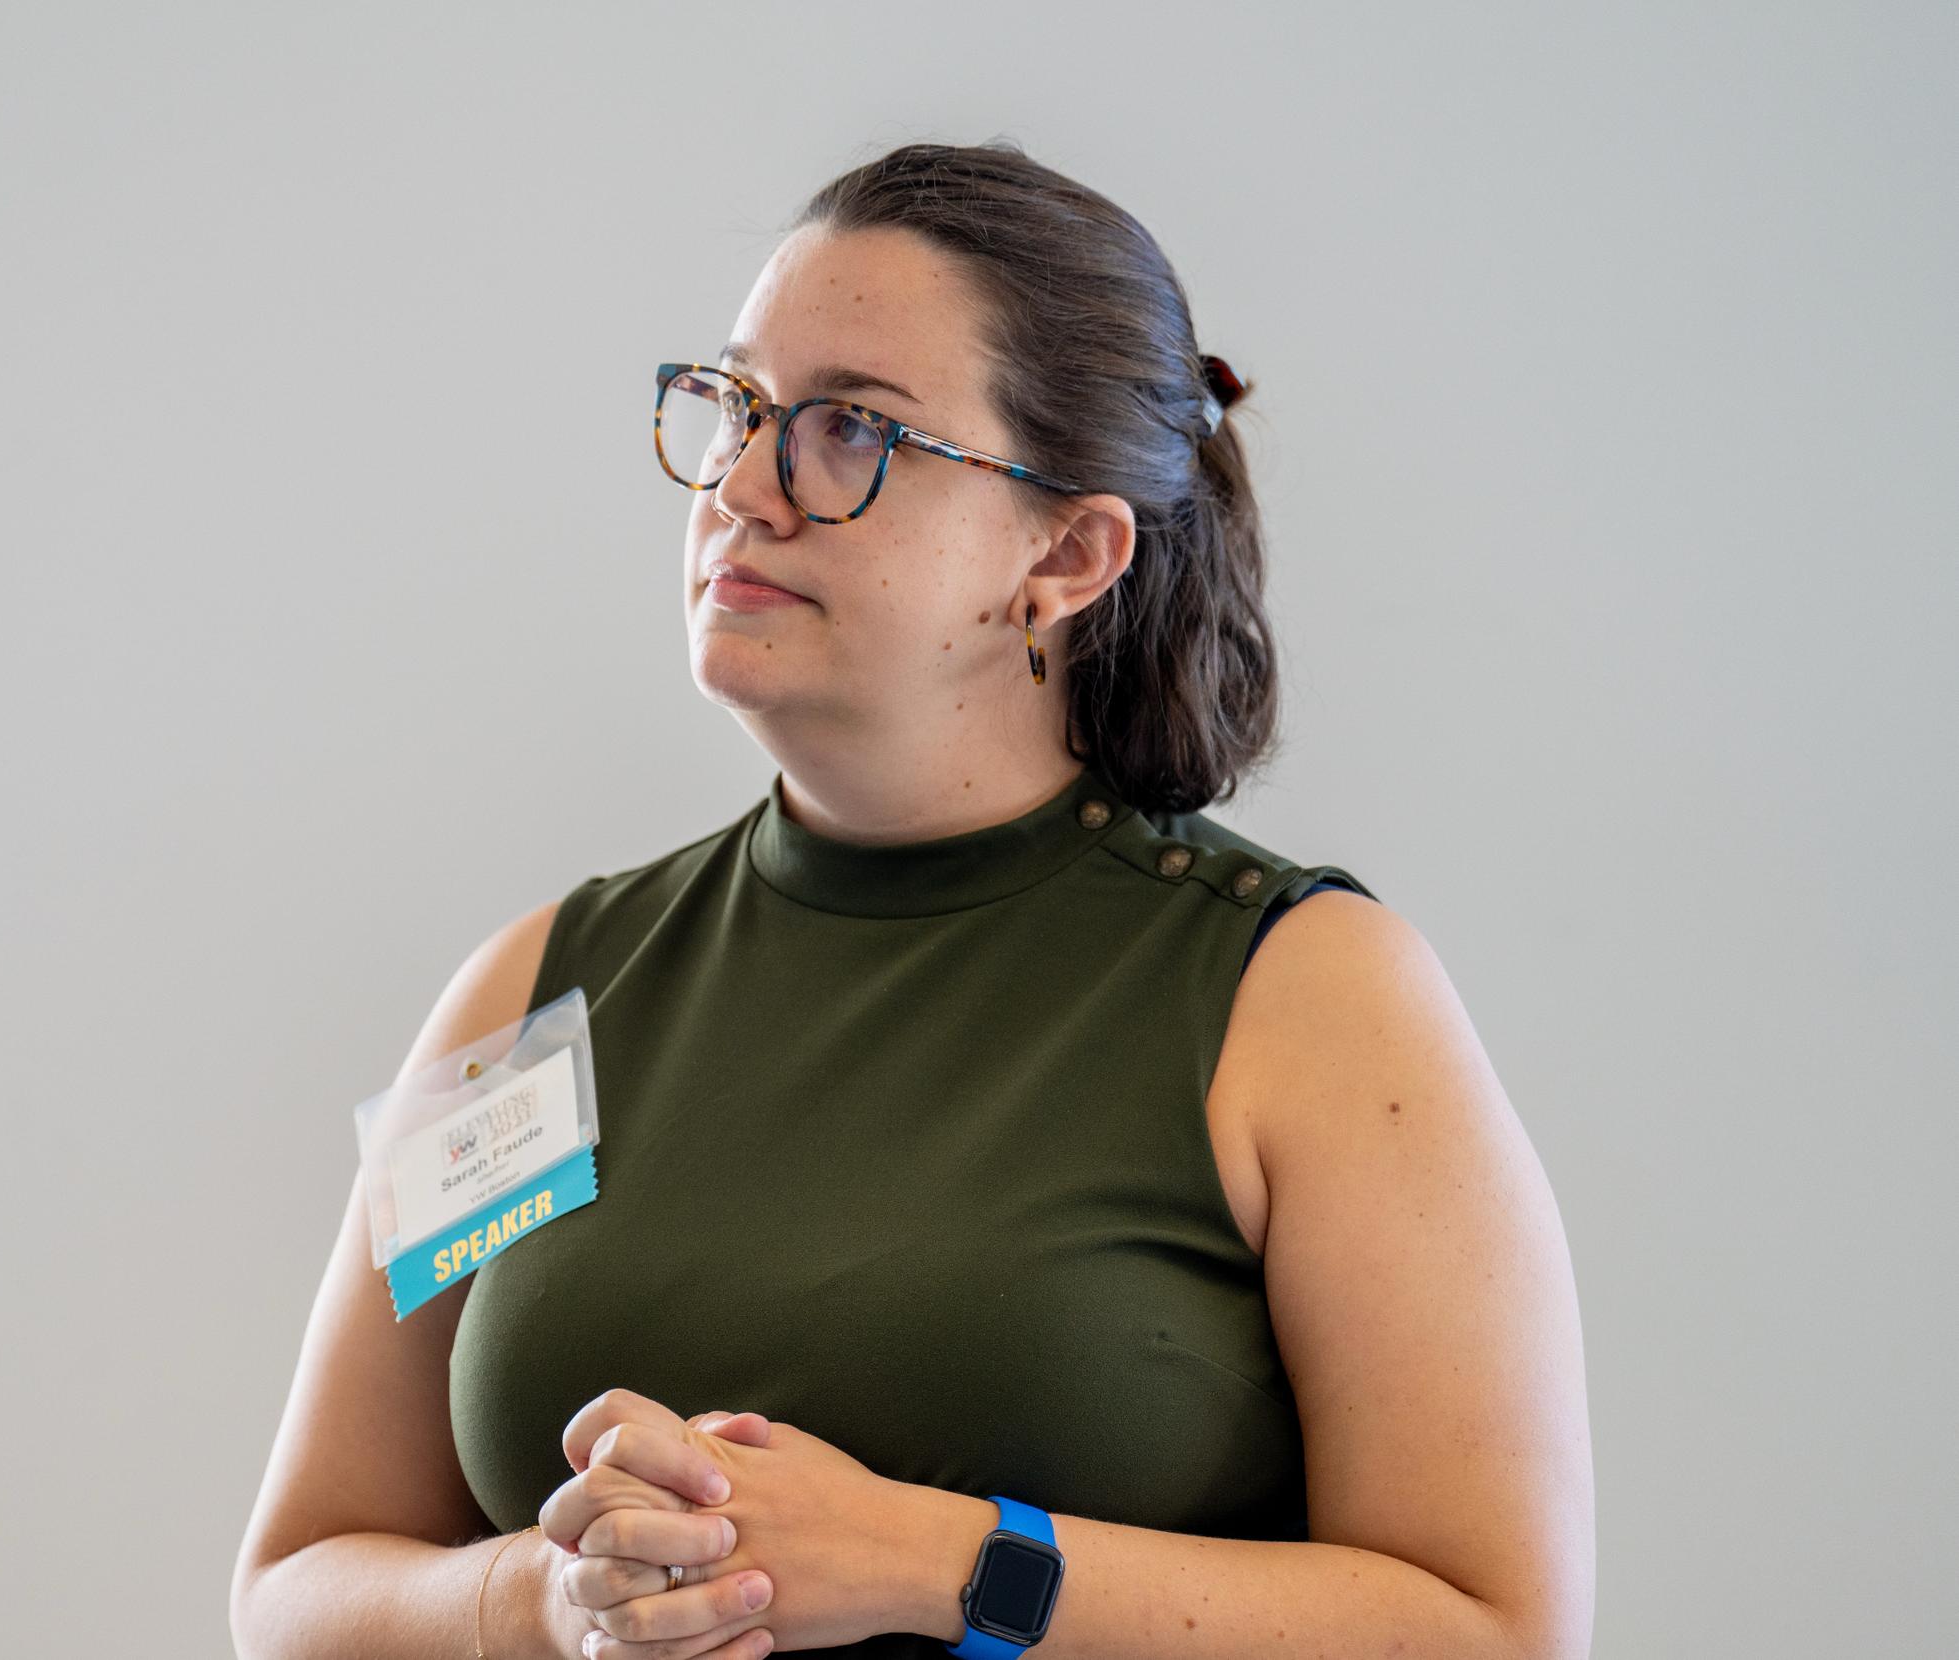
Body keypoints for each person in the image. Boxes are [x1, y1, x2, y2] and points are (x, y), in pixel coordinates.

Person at [231, 143, 1593, 1660]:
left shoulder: (1310, 993)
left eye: (848, 432)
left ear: (1066, 554)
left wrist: (947, 1564)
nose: (742, 488)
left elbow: (1498, 1631)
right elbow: (294, 1587)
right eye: (739, 408)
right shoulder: (537, 990)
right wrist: (545, 1603)